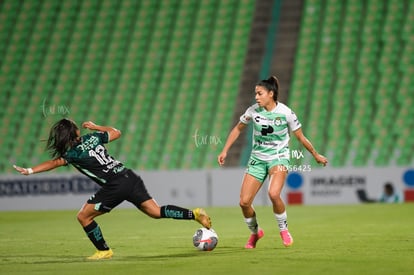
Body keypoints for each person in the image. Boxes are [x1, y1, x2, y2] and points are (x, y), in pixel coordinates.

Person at [13, 119, 211, 260]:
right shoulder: (93, 137)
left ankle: (104, 250)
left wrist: (30, 170)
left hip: (115, 184)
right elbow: (117, 132)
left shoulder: (71, 154)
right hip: (128, 175)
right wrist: (96, 126)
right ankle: (193, 214)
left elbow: (53, 163)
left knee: (84, 217)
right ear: (76, 132)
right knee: (155, 212)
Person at [217, 76, 328, 249]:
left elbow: (300, 137)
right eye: (255, 94)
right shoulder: (253, 111)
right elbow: (238, 129)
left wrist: (316, 155)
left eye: (259, 93)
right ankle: (255, 233)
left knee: (274, 194)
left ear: (271, 93)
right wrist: (225, 150)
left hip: (279, 158)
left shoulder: (286, 113)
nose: (256, 97)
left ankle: (283, 229)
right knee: (244, 202)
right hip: (257, 159)